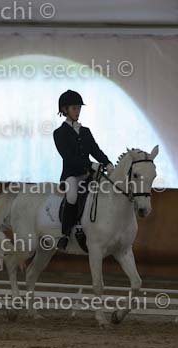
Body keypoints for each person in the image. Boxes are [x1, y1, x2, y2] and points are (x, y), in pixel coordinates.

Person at [53, 89, 114, 250]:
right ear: (65, 109)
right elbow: (68, 157)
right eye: (74, 108)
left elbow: (95, 150)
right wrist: (90, 165)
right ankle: (65, 234)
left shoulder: (85, 131)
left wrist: (107, 163)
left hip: (88, 175)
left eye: (79, 108)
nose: (78, 111)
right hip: (71, 176)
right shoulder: (59, 133)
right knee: (73, 196)